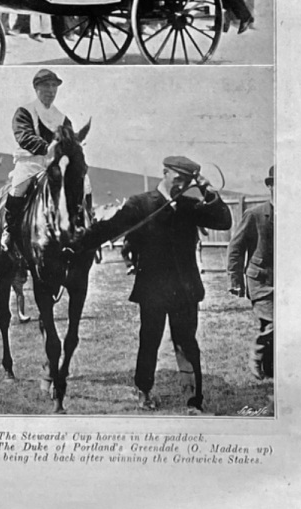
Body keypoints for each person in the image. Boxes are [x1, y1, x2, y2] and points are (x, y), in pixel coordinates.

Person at [73, 154, 232, 411]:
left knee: (187, 343)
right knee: (150, 341)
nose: (181, 184)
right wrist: (75, 247)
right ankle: (144, 389)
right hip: (153, 290)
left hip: (185, 289)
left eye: (187, 180)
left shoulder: (190, 206)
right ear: (166, 172)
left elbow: (224, 221)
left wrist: (205, 186)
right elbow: (109, 228)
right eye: (178, 178)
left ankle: (194, 398)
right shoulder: (141, 204)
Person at [2, 69, 70, 253]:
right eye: (46, 86)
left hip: (54, 165)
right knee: (18, 187)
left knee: (83, 185)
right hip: (30, 162)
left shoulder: (62, 118)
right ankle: (9, 230)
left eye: (54, 86)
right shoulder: (25, 111)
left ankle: (83, 225)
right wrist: (49, 148)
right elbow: (24, 137)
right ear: (36, 88)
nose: (51, 90)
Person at [227, 167, 274, 381]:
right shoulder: (254, 214)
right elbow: (236, 248)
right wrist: (235, 280)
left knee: (273, 325)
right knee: (274, 323)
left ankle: (270, 366)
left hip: (285, 280)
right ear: (270, 185)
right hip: (260, 279)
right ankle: (256, 354)